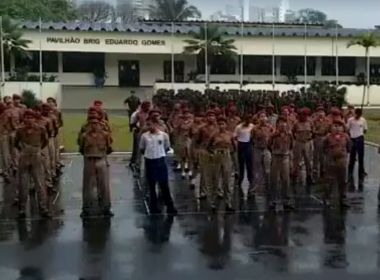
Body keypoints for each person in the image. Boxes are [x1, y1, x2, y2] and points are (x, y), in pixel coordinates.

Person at [78, 107, 114, 217]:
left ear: (99, 122)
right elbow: (81, 147)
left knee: (104, 186)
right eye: (91, 122)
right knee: (87, 186)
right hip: (89, 160)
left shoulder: (105, 134)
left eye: (96, 122)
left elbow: (109, 147)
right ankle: (86, 208)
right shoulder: (84, 135)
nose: (94, 125)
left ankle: (106, 208)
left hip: (101, 159)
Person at [15, 110, 50, 219]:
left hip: (36, 156)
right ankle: (22, 210)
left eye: (31, 117)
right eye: (26, 117)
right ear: (24, 118)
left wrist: (37, 149)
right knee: (23, 185)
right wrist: (23, 150)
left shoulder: (41, 129)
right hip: (24, 157)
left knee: (39, 184)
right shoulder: (20, 130)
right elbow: (16, 143)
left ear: (35, 118)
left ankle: (43, 208)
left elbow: (45, 141)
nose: (29, 119)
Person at [139, 119, 177, 215]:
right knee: (151, 186)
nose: (149, 126)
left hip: (160, 160)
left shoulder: (163, 135)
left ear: (156, 124)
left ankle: (170, 207)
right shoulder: (144, 136)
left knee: (164, 185)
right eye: (148, 124)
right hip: (149, 161)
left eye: (151, 124)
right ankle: (153, 207)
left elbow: (167, 147)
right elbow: (142, 148)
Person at [208, 117, 235, 212]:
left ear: (226, 125)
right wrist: (212, 153)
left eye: (223, 124)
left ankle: (228, 203)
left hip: (226, 155)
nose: (221, 126)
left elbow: (234, 146)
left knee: (227, 180)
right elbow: (209, 146)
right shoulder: (214, 135)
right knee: (215, 180)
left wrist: (231, 155)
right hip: (217, 155)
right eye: (219, 124)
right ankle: (213, 203)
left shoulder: (229, 134)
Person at [323, 120, 351, 208]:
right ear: (331, 128)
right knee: (329, 181)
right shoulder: (328, 137)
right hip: (331, 161)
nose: (337, 128)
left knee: (343, 180)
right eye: (335, 126)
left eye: (339, 126)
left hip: (342, 161)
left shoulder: (346, 137)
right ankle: (327, 198)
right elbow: (324, 147)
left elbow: (349, 147)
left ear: (343, 128)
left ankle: (343, 199)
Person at [269, 117, 294, 210]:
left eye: (284, 123)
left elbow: (291, 146)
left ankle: (286, 201)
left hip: (285, 157)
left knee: (286, 180)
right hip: (276, 157)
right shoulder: (273, 135)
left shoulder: (289, 135)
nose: (283, 125)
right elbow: (269, 144)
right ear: (277, 124)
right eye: (280, 123)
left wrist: (290, 158)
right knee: (274, 180)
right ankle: (272, 200)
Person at [347, 108, 367, 191]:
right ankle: (350, 172)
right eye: (356, 114)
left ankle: (361, 172)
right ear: (354, 113)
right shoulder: (350, 120)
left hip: (360, 139)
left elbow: (365, 130)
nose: (357, 116)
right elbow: (347, 129)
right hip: (353, 139)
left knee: (361, 157)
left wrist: (361, 131)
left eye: (359, 114)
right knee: (352, 156)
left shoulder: (363, 120)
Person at [234, 114, 255, 196]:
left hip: (248, 145)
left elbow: (254, 134)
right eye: (247, 119)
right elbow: (234, 136)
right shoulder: (239, 127)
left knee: (249, 164)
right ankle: (240, 179)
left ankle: (251, 181)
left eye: (249, 119)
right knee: (241, 164)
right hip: (241, 144)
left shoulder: (252, 126)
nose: (248, 121)